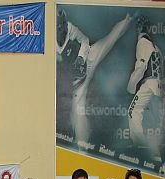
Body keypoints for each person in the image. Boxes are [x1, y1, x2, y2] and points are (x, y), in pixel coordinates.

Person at [56, 8, 133, 143]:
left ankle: (130, 17)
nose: (62, 28)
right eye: (59, 26)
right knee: (78, 116)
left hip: (89, 60)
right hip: (78, 83)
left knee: (109, 40)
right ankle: (82, 147)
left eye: (63, 24)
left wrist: (81, 58)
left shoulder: (70, 28)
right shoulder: (51, 44)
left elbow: (85, 40)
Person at [128, 15, 163, 156]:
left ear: (139, 28)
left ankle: (139, 145)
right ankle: (153, 148)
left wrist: (131, 86)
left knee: (133, 111)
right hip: (157, 85)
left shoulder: (142, 43)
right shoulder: (155, 46)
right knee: (152, 119)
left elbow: (141, 68)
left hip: (149, 83)